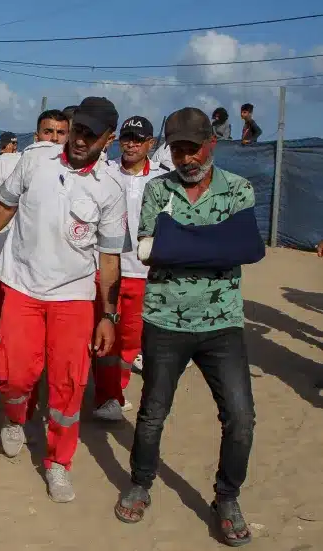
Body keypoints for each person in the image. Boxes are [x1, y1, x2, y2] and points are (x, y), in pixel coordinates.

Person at [0, 96, 126, 503]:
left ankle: (58, 463)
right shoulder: (35, 161)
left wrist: (107, 315)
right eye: (77, 130)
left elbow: (109, 259)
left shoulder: (110, 189)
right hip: (22, 287)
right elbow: (4, 208)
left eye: (91, 135)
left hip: (73, 298)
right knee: (14, 375)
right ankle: (15, 418)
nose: (79, 140)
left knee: (68, 385)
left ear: (109, 139)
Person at [114, 108, 257, 547]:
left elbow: (247, 248)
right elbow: (146, 251)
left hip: (222, 323)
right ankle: (140, 483)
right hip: (165, 320)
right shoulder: (158, 190)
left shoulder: (239, 189)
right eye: (177, 150)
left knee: (241, 418)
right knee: (152, 413)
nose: (186, 158)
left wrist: (177, 244)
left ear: (211, 143)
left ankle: (227, 498)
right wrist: (215, 246)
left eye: (193, 148)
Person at [0, 109, 69, 410]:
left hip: (43, 270)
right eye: (48, 132)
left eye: (60, 133)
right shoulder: (8, 164)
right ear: (36, 136)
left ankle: (30, 394)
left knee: (34, 339)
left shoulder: (76, 174)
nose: (53, 138)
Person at [92, 116, 169, 422]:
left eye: (138, 139)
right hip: (106, 270)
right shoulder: (105, 171)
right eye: (127, 138)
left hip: (143, 273)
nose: (132, 144)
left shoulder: (163, 179)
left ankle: (117, 388)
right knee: (105, 334)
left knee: (131, 341)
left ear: (151, 143)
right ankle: (108, 397)